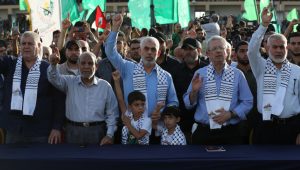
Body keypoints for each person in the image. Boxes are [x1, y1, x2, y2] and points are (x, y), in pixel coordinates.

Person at [183, 35, 253, 145]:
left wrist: (231, 114)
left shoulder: (237, 74)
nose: (218, 51)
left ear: (227, 52)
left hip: (230, 132)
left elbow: (248, 101)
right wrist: (194, 92)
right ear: (208, 53)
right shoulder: (200, 74)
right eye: (214, 49)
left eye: (221, 48)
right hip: (204, 131)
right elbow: (188, 104)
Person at [104, 14, 178, 116]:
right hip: (133, 127)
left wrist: (163, 115)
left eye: (153, 49)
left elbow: (173, 102)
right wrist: (115, 28)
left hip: (158, 128)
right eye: (146, 49)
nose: (149, 52)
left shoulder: (166, 77)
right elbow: (110, 52)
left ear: (158, 53)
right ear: (140, 51)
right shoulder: (128, 68)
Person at [0, 31, 65, 144]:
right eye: (23, 43)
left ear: (39, 46)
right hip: (14, 130)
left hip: (40, 131)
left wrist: (56, 127)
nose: (26, 47)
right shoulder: (10, 64)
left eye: (30, 44)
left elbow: (59, 101)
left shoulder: (49, 69)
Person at [248, 7, 300, 144]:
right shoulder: (260, 67)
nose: (278, 50)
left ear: (287, 48)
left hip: (291, 128)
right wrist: (263, 26)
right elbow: (252, 50)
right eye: (274, 47)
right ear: (267, 48)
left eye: (281, 47)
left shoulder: (297, 71)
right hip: (264, 127)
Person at [48, 50, 118, 145]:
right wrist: (53, 65)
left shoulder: (105, 86)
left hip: (97, 132)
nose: (86, 66)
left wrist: (109, 135)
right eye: (83, 63)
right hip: (73, 131)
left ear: (96, 67)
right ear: (78, 65)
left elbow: (112, 113)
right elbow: (53, 78)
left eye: (90, 63)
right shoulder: (69, 82)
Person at [235, 41, 259, 144]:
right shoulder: (231, 73)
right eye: (242, 51)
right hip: (237, 122)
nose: (245, 54)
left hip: (258, 121)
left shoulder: (259, 72)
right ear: (235, 54)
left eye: (248, 51)